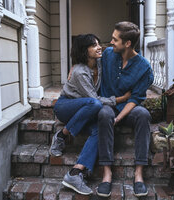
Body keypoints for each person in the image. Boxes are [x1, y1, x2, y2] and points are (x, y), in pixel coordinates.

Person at [49, 34, 131, 195]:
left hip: (85, 110)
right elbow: (94, 99)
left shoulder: (99, 63)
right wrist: (122, 99)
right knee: (95, 103)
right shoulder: (80, 72)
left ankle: (76, 172)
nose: (98, 47)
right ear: (84, 51)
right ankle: (62, 135)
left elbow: (113, 52)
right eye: (93, 45)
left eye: (99, 43)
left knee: (100, 129)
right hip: (66, 106)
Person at [96, 22, 154, 197]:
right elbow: (90, 61)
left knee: (143, 114)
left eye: (115, 39)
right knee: (104, 113)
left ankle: (138, 174)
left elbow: (136, 98)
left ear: (127, 43)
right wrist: (75, 68)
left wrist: (119, 117)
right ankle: (107, 173)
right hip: (107, 104)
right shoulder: (107, 54)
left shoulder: (144, 67)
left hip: (127, 109)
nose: (111, 42)